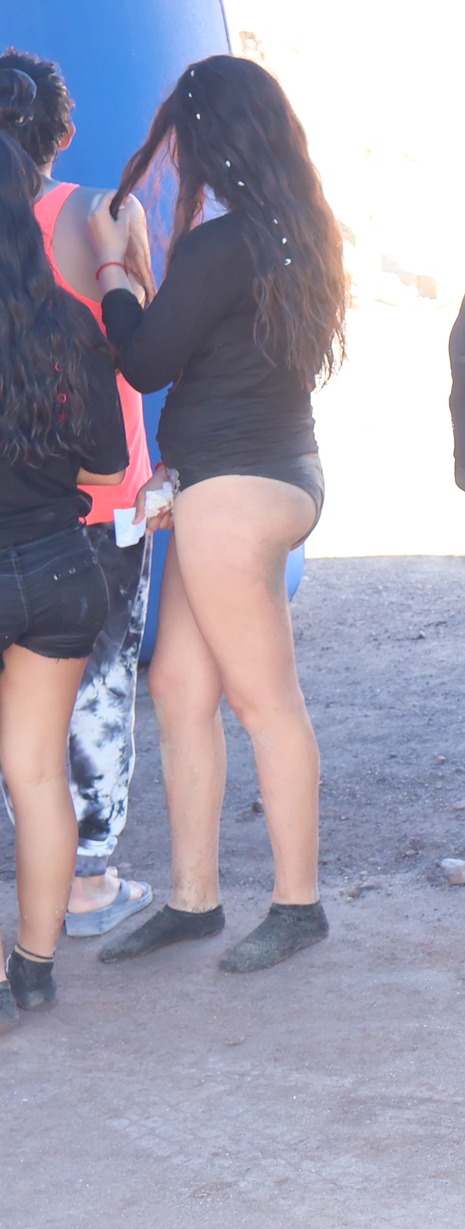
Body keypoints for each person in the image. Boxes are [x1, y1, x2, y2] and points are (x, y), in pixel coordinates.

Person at [89, 55, 343, 974]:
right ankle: (193, 900)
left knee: (265, 703)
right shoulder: (299, 232)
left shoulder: (219, 245)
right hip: (261, 478)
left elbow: (147, 361)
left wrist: (119, 273)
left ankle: (298, 904)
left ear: (206, 141)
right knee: (180, 691)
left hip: (232, 493)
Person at [0, 50, 156, 939]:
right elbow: (141, 338)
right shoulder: (102, 214)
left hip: (14, 501)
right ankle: (84, 884)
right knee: (97, 691)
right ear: (61, 133)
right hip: (100, 494)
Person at [0, 130, 129, 1024]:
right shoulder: (67, 325)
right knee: (38, 775)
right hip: (56, 564)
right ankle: (34, 967)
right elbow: (104, 460)